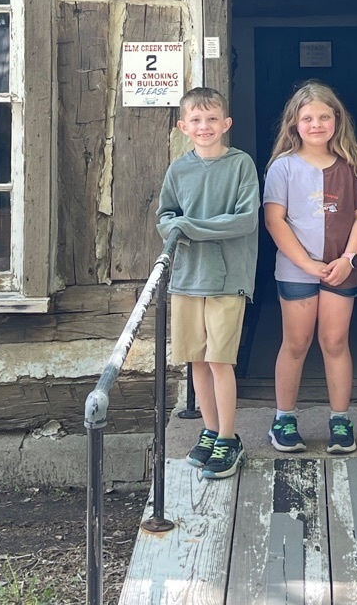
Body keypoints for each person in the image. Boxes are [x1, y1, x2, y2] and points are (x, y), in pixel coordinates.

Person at [157, 86, 259, 479]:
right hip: (186, 276)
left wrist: (189, 227)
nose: (205, 126)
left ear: (226, 124)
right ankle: (211, 429)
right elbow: (165, 218)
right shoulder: (178, 170)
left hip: (227, 277)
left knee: (220, 359)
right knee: (196, 359)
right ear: (184, 126)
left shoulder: (240, 165)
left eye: (212, 119)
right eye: (196, 120)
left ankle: (231, 437)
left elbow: (244, 220)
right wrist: (178, 226)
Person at [263, 81, 357, 455]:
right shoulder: (283, 167)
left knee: (335, 342)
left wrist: (349, 258)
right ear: (295, 124)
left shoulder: (352, 166)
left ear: (336, 120)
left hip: (342, 269)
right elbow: (275, 220)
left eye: (324, 116)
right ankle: (284, 419)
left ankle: (340, 420)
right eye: (308, 118)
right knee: (295, 343)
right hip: (296, 270)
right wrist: (307, 262)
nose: (317, 124)